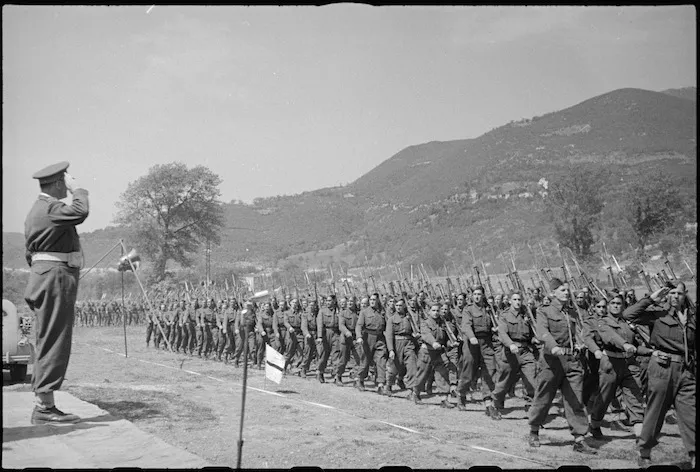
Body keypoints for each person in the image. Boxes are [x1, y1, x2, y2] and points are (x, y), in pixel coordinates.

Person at [24, 161, 88, 425]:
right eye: (66, 180)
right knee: (55, 340)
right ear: (58, 183)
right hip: (54, 277)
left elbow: (30, 254)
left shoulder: (38, 210)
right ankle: (44, 407)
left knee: (48, 338)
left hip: (45, 275)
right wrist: (79, 189)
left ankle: (45, 402)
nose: (69, 183)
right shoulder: (51, 208)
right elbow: (81, 211)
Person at [623, 283, 695, 468]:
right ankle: (644, 451)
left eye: (679, 293)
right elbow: (627, 315)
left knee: (690, 414)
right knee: (656, 411)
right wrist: (650, 299)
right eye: (672, 293)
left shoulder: (693, 316)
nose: (675, 296)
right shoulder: (657, 314)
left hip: (687, 371)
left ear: (685, 295)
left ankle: (694, 454)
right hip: (663, 368)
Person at [527, 278, 597, 454]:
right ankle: (534, 430)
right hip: (552, 361)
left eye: (567, 290)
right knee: (543, 397)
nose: (567, 293)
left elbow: (578, 333)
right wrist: (554, 346)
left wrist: (580, 344)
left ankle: (579, 439)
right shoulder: (544, 311)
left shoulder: (572, 313)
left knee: (575, 399)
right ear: (553, 293)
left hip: (572, 361)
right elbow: (543, 332)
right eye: (562, 290)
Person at [588, 293, 649, 441]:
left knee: (635, 398)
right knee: (604, 398)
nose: (616, 305)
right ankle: (595, 424)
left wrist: (651, 351)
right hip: (610, 363)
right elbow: (610, 337)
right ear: (608, 305)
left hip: (628, 364)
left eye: (619, 303)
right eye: (613, 303)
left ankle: (640, 436)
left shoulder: (627, 323)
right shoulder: (602, 322)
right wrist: (624, 344)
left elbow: (635, 346)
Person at [490, 292, 537, 420]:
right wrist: (510, 344)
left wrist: (535, 340)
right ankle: (495, 404)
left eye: (519, 299)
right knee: (504, 381)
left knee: (531, 379)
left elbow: (532, 333)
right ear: (510, 301)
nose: (517, 302)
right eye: (514, 299)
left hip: (525, 351)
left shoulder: (526, 314)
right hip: (510, 352)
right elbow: (502, 333)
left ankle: (531, 408)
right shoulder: (504, 315)